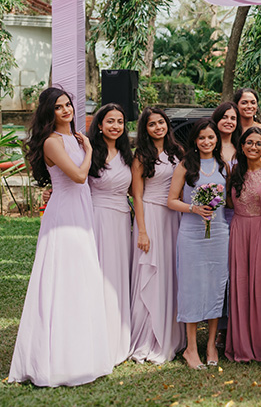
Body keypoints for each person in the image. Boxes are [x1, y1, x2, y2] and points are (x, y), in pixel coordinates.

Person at [8, 88, 112, 387]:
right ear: (49, 112)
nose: (66, 110)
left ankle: (83, 354)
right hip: (64, 214)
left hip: (81, 210)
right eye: (58, 107)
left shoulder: (75, 137)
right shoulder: (52, 142)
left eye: (68, 105)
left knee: (81, 278)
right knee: (62, 279)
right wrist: (90, 150)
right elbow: (79, 177)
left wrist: (85, 144)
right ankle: (55, 358)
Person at [167, 119, 229, 370]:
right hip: (191, 234)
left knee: (216, 286)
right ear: (195, 140)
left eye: (211, 138)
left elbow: (229, 201)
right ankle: (191, 348)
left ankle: (211, 344)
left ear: (217, 140)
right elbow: (171, 200)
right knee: (192, 288)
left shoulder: (224, 166)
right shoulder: (185, 165)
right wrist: (193, 208)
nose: (206, 142)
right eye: (202, 138)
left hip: (218, 233)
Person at [128, 107, 185, 364]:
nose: (158, 127)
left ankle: (171, 334)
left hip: (174, 217)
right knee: (150, 273)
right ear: (145, 129)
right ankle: (147, 337)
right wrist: (142, 230)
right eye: (152, 124)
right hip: (150, 216)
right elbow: (136, 195)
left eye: (161, 122)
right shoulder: (141, 156)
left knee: (171, 273)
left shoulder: (178, 152)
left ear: (167, 125)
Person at [225, 127, 261, 363]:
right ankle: (242, 345)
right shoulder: (234, 171)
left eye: (258, 143)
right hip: (238, 230)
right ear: (242, 146)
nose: (253, 147)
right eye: (249, 143)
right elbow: (227, 202)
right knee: (241, 285)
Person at [87, 103, 134, 368]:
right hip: (95, 217)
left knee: (117, 275)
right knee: (97, 273)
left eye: (120, 121)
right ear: (100, 124)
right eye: (110, 121)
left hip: (119, 219)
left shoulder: (129, 155)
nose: (115, 126)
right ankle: (95, 333)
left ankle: (117, 334)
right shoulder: (90, 150)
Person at [213, 102, 242, 168]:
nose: (229, 121)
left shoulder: (241, 147)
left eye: (233, 118)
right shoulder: (209, 145)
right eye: (224, 117)